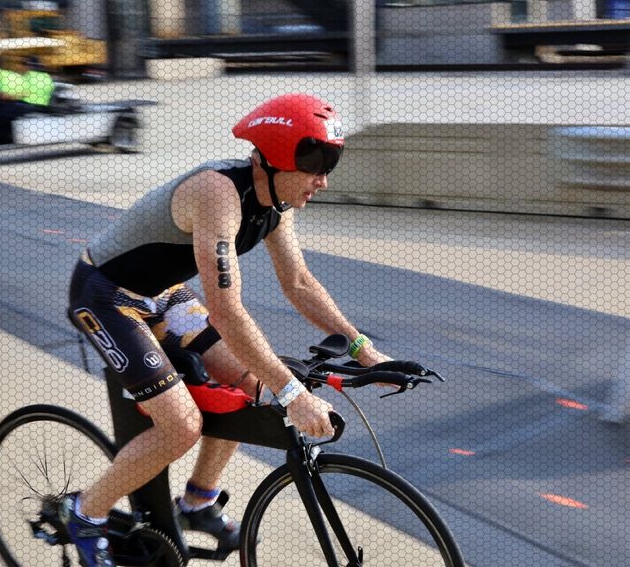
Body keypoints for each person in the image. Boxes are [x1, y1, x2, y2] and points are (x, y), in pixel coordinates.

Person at [62, 93, 390, 567]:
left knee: (254, 386)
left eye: (330, 163)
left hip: (163, 293)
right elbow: (226, 312)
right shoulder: (217, 194)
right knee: (181, 426)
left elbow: (298, 283)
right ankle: (85, 513)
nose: (323, 179)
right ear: (274, 157)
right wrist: (294, 394)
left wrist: (362, 348)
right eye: (316, 163)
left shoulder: (277, 202)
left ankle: (197, 501)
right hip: (106, 295)